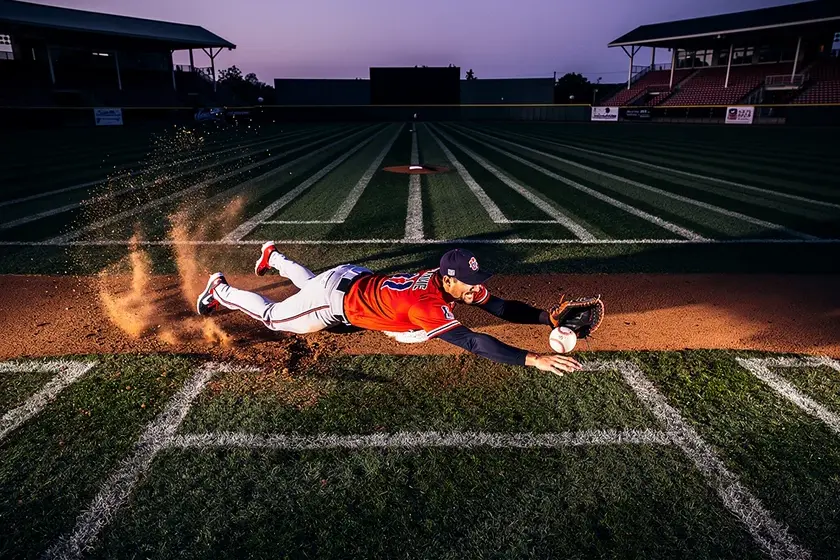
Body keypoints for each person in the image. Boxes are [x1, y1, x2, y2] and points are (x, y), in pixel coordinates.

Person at [196, 244, 604, 376]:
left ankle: (274, 257)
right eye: (469, 283)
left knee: (311, 285)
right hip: (335, 300)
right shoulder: (427, 304)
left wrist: (544, 318)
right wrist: (533, 358)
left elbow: (497, 306)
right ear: (448, 280)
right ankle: (220, 290)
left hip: (350, 280)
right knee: (275, 318)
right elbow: (473, 342)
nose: (476, 288)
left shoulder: (451, 284)